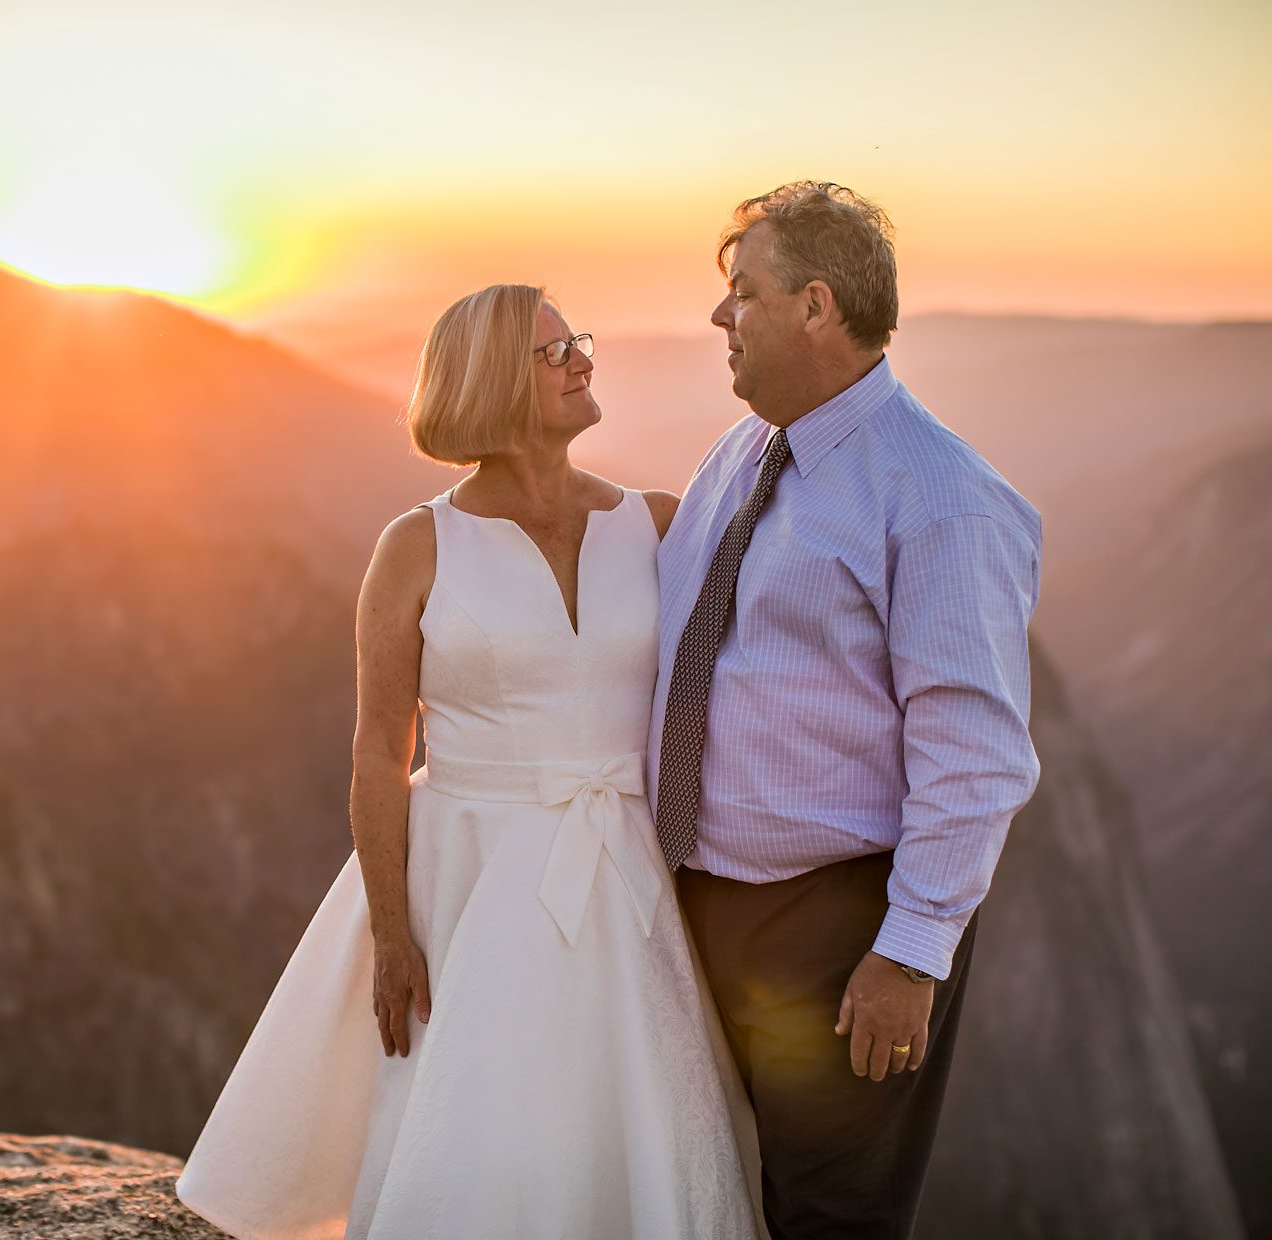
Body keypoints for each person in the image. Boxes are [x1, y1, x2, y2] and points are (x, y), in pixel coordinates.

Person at [177, 284, 764, 1239]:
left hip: (631, 871)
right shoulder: (416, 547)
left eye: (577, 339)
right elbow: (379, 752)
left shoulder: (657, 522)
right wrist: (390, 934)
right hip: (469, 876)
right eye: (554, 351)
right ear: (492, 381)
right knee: (486, 1123)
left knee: (636, 1122)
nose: (583, 359)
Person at [651, 181, 1042, 1239]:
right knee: (713, 1194)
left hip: (838, 929)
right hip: (702, 905)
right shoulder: (741, 454)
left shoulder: (942, 499)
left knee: (829, 1218)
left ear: (816, 306)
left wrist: (908, 952)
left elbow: (976, 755)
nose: (721, 315)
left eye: (744, 292)